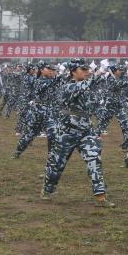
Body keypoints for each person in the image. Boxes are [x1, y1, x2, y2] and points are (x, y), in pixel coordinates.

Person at [41, 58, 114, 207]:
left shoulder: (87, 88)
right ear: (73, 72)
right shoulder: (68, 87)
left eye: (88, 70)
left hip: (86, 131)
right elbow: (84, 86)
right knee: (57, 164)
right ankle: (47, 189)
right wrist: (99, 72)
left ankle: (100, 196)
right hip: (66, 132)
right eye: (83, 70)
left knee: (94, 160)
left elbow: (95, 103)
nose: (87, 72)